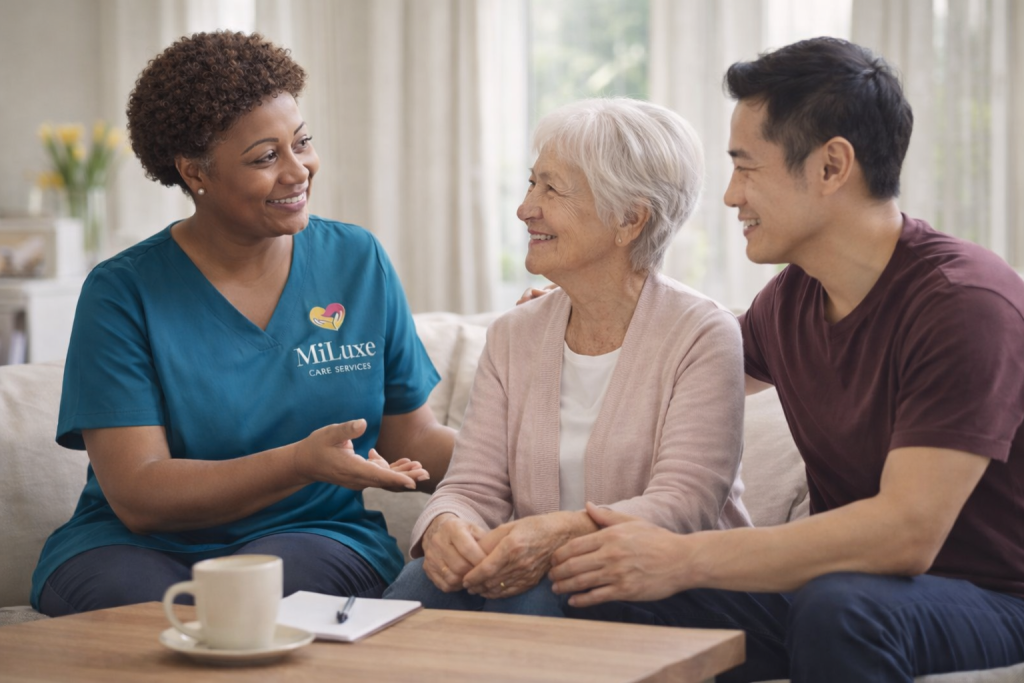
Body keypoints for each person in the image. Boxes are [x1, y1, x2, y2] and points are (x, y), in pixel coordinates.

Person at [546, 37, 1024, 682]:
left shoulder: (964, 302)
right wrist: (585, 304)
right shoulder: (792, 298)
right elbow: (674, 371)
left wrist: (685, 559)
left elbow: (907, 534)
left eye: (747, 167)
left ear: (831, 168)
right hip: (839, 588)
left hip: (993, 596)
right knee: (603, 592)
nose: (730, 196)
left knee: (843, 607)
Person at [31, 31, 455, 616]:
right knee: (138, 611)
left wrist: (538, 465)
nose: (297, 170)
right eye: (265, 157)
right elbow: (138, 494)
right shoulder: (123, 291)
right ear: (195, 173)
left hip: (314, 535)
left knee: (276, 597)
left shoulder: (356, 261)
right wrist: (299, 462)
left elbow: (413, 439)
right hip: (134, 545)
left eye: (302, 142)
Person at [383, 98, 751, 616]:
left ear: (629, 219)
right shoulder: (514, 335)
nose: (525, 207)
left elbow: (682, 505)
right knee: (424, 583)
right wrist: (447, 525)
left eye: (551, 188)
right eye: (532, 183)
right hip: (547, 579)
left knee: (542, 590)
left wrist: (554, 533)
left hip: (674, 583)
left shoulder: (702, 333)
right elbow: (472, 486)